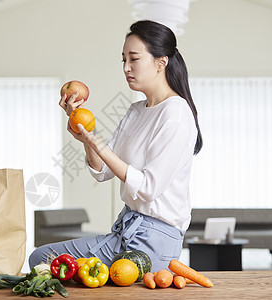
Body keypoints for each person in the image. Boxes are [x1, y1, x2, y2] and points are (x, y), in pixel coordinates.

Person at [29, 20, 202, 272]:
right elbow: (102, 170)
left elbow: (147, 188)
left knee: (42, 260)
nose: (126, 68)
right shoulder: (136, 111)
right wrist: (85, 137)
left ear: (160, 62)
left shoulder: (175, 114)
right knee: (46, 261)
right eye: (123, 60)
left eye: (134, 59)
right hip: (128, 231)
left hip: (152, 242)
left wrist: (98, 144)